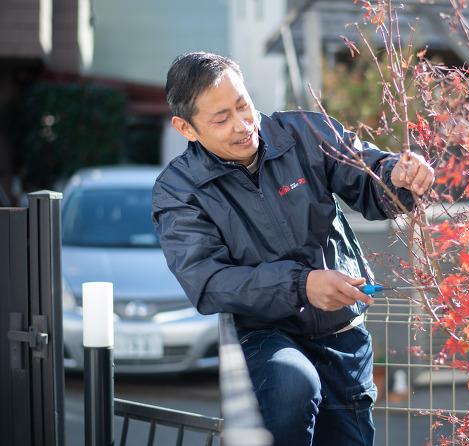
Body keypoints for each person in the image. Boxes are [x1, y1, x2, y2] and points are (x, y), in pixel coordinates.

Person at [152, 52, 434, 446]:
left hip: (342, 331)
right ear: (186, 128)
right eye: (221, 119)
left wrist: (397, 175)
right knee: (292, 387)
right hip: (264, 335)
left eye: (243, 105)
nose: (242, 125)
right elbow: (209, 282)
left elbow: (368, 175)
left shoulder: (303, 132)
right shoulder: (178, 191)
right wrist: (301, 285)